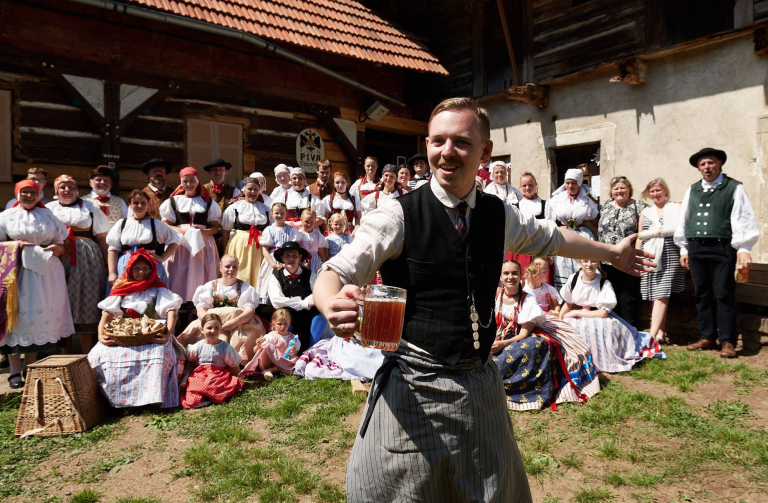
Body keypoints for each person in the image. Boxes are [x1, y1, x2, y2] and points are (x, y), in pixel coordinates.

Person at [315, 97, 653, 503]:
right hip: (413, 384)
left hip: (478, 383)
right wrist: (330, 302)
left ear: (485, 151)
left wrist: (612, 253)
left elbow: (555, 238)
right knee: (398, 491)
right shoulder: (398, 215)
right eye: (438, 141)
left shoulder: (498, 213)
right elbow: (338, 269)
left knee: (492, 492)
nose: (447, 152)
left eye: (461, 142)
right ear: (426, 144)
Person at [674, 148, 759, 358]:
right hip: (696, 248)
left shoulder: (734, 187)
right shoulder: (692, 190)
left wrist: (744, 248)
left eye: (710, 163)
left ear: (719, 163)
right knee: (701, 293)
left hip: (722, 248)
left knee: (724, 293)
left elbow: (744, 218)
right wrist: (684, 248)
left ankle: (728, 341)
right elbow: (683, 219)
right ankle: (707, 337)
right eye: (702, 164)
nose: (706, 167)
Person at [492, 260, 599, 410]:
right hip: (495, 335)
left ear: (521, 275)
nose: (510, 277)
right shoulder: (495, 295)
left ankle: (508, 387)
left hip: (517, 337)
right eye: (506, 273)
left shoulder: (527, 300)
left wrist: (503, 344)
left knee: (535, 346)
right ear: (501, 276)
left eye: (514, 273)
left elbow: (523, 333)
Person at [0, 181, 72, 388]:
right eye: (25, 192)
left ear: (39, 194)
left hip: (47, 274)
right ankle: (14, 370)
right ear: (17, 194)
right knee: (16, 319)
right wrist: (18, 245)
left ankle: (29, 367)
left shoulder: (48, 215)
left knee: (37, 319)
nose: (29, 195)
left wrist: (58, 249)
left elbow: (61, 241)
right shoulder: (6, 217)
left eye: (33, 192)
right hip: (17, 274)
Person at [88, 250, 183, 408]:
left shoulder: (159, 289)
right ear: (130, 269)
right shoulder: (122, 289)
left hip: (152, 336)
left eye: (145, 268)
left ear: (152, 270)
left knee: (158, 352)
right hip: (123, 337)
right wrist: (100, 335)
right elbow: (106, 315)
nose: (141, 272)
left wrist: (167, 334)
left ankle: (151, 399)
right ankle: (106, 400)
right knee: (98, 354)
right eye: (137, 268)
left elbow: (172, 313)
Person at [559, 259, 663, 373]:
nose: (589, 265)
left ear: (598, 262)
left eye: (593, 261)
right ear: (580, 263)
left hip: (597, 315)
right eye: (585, 261)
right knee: (568, 327)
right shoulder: (574, 279)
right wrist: (559, 320)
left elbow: (602, 313)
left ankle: (600, 361)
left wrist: (577, 313)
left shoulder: (603, 282)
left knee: (597, 328)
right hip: (575, 314)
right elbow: (568, 303)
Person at [47, 175, 110, 353]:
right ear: (56, 191)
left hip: (86, 258)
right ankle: (63, 354)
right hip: (57, 257)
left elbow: (102, 237)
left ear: (76, 189)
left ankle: (87, 353)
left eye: (70, 187)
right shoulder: (48, 209)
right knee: (59, 299)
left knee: (86, 301)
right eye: (62, 187)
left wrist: (107, 265)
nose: (67, 190)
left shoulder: (90, 207)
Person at [179, 254, 264, 361]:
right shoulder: (210, 286)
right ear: (220, 268)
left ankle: (237, 359)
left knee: (237, 312)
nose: (231, 270)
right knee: (194, 329)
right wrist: (211, 322)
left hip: (237, 323)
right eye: (227, 266)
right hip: (212, 321)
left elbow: (249, 311)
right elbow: (201, 309)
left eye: (234, 267)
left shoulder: (245, 288)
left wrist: (234, 321)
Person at [160, 167, 222, 302]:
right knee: (179, 274)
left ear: (197, 181)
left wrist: (201, 232)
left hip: (203, 244)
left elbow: (216, 228)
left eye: (192, 181)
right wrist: (185, 232)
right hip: (180, 244)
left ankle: (199, 310)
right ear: (181, 182)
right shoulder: (173, 202)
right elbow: (165, 225)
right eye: (185, 181)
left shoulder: (208, 202)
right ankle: (180, 309)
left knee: (201, 275)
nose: (188, 184)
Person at [637, 178, 684, 344]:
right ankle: (660, 335)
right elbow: (640, 236)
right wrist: (638, 256)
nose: (655, 194)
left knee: (662, 294)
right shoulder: (645, 212)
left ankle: (650, 337)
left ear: (665, 191)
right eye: (652, 191)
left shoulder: (675, 207)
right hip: (650, 254)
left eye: (658, 190)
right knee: (656, 294)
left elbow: (679, 228)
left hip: (670, 253)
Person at [597, 176, 647, 327]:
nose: (619, 191)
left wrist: (636, 253)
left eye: (622, 188)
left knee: (629, 298)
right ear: (611, 192)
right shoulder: (604, 205)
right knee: (611, 294)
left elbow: (641, 232)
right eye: (616, 188)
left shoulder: (639, 206)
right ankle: (613, 329)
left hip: (627, 258)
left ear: (629, 190)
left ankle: (630, 329)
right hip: (606, 259)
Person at [106, 189, 180, 289]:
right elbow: (113, 249)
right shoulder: (121, 224)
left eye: (143, 203)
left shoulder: (156, 224)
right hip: (125, 265)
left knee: (151, 296)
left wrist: (162, 258)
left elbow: (175, 240)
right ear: (130, 204)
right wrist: (112, 272)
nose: (139, 206)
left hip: (150, 266)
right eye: (136, 203)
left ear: (148, 204)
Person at [545, 168, 599, 289]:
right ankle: (565, 297)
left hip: (582, 235)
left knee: (583, 264)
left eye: (574, 183)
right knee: (563, 265)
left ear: (579, 183)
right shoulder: (556, 200)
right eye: (568, 183)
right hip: (563, 235)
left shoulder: (587, 201)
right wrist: (559, 227)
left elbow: (595, 222)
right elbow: (549, 222)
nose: (570, 186)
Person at [180, 313, 244, 409]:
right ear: (202, 330)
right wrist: (199, 371)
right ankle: (204, 398)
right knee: (192, 391)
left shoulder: (225, 348)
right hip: (201, 375)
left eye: (216, 328)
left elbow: (234, 366)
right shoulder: (198, 346)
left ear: (221, 329)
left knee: (218, 385)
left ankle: (212, 395)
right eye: (209, 328)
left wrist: (235, 379)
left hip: (218, 376)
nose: (213, 331)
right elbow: (192, 361)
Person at [268, 241, 318, 354]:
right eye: (288, 256)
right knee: (285, 313)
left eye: (294, 256)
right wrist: (303, 303)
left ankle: (311, 350)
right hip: (288, 313)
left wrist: (307, 303)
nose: (291, 259)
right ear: (282, 258)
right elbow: (277, 300)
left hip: (308, 312)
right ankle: (286, 351)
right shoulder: (276, 277)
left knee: (319, 313)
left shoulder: (310, 274)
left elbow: (317, 291)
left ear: (300, 257)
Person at [220, 177, 271, 286]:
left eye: (256, 189)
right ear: (243, 190)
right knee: (241, 271)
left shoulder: (266, 209)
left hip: (260, 248)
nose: (252, 192)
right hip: (240, 246)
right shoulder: (234, 208)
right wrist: (225, 252)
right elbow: (225, 231)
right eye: (250, 189)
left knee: (259, 272)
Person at [257, 202, 300, 301]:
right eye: (276, 213)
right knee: (270, 283)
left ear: (286, 214)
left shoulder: (292, 230)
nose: (279, 216)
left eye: (282, 213)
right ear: (272, 214)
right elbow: (265, 250)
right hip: (273, 259)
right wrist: (272, 264)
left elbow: (295, 248)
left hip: (288, 259)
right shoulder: (269, 229)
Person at [240, 308, 300, 380]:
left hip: (285, 361)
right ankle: (284, 370)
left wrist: (293, 351)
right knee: (268, 345)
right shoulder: (270, 336)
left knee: (296, 358)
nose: (282, 327)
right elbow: (255, 351)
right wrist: (258, 345)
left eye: (285, 323)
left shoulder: (293, 338)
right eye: (279, 324)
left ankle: (271, 371)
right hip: (268, 363)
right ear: (273, 324)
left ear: (289, 323)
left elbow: (294, 353)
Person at [297, 208, 328, 286]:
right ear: (301, 220)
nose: (309, 224)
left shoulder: (318, 235)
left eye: (312, 222)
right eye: (306, 221)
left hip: (315, 261)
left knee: (316, 281)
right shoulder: (298, 234)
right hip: (302, 261)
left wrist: (325, 264)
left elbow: (321, 251)